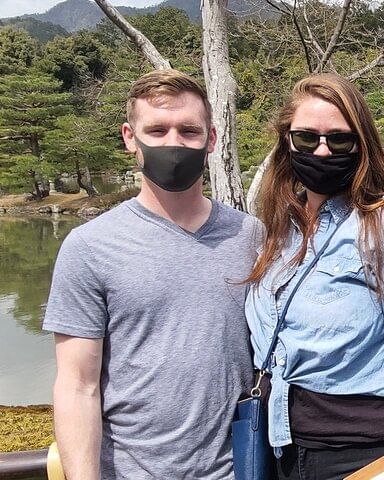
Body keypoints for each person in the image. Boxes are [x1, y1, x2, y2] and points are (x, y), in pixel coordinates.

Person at [43, 69, 263, 479]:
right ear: (130, 138)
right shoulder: (89, 247)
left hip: (236, 470)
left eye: (189, 131)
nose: (173, 143)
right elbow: (77, 386)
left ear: (212, 139)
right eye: (157, 130)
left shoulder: (250, 236)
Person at [244, 73, 384, 480]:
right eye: (306, 138)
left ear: (362, 145)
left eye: (339, 140)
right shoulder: (282, 230)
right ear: (287, 142)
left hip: (365, 453)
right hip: (282, 449)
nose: (322, 151)